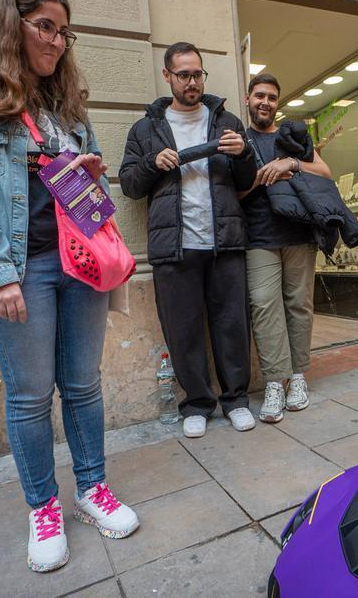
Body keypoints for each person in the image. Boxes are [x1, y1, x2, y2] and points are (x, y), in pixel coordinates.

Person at [0, 0, 139, 573]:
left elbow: (82, 189)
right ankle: (43, 508)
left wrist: (89, 173)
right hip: (18, 268)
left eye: (64, 32)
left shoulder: (63, 104)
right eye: (45, 26)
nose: (57, 41)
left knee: (84, 385)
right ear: (11, 24)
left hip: (80, 264)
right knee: (29, 396)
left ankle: (92, 489)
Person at [118, 41, 257, 438]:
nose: (192, 82)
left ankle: (236, 400)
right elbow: (129, 185)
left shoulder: (227, 121)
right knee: (183, 329)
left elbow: (246, 181)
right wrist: (152, 162)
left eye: (197, 74)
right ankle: (196, 403)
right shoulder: (146, 129)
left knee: (232, 325)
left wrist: (243, 154)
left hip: (225, 240)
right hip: (174, 246)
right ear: (167, 76)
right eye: (184, 75)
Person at [238, 73, 332, 423]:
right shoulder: (240, 140)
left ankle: (298, 377)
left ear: (278, 103)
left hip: (299, 234)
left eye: (272, 97)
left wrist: (290, 163)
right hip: (258, 237)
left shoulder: (291, 137)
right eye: (259, 95)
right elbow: (233, 192)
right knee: (265, 306)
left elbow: (324, 172)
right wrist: (263, 175)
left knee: (299, 306)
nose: (265, 102)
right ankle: (274, 383)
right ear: (248, 99)